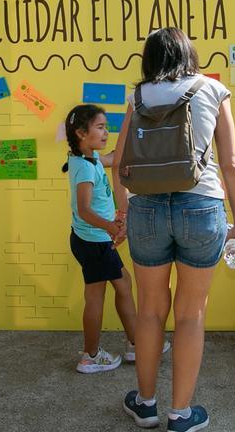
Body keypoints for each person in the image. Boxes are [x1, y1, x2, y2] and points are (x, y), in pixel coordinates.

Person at [114, 28, 235, 432]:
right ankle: (181, 414)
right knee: (191, 313)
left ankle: (146, 405)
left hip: (147, 209)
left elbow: (119, 163)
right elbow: (231, 164)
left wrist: (122, 213)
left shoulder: (137, 97)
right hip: (201, 205)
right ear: (190, 54)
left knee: (151, 308)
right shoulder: (211, 89)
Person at [63, 103, 143, 374]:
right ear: (81, 133)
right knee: (98, 296)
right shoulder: (85, 167)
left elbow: (114, 158)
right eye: (100, 127)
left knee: (122, 285)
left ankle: (134, 343)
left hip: (92, 240)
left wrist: (131, 117)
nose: (105, 132)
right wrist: (111, 227)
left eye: (107, 127)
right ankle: (91, 355)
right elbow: (84, 209)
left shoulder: (87, 158)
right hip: (94, 242)